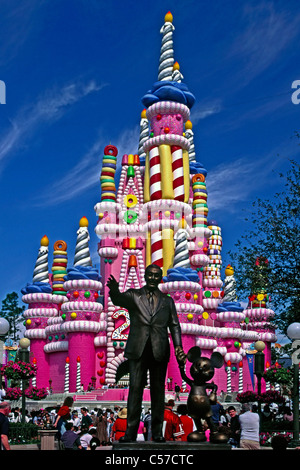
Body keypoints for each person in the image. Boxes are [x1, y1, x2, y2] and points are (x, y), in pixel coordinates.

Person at [107, 264, 186, 443]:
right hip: (138, 348)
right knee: (135, 389)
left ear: (160, 278)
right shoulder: (135, 295)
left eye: (156, 275)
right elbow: (119, 300)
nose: (152, 278)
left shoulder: (167, 301)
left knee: (158, 392)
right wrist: (114, 290)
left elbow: (174, 325)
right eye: (149, 275)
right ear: (144, 276)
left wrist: (178, 347)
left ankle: (157, 432)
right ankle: (130, 432)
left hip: (159, 349)